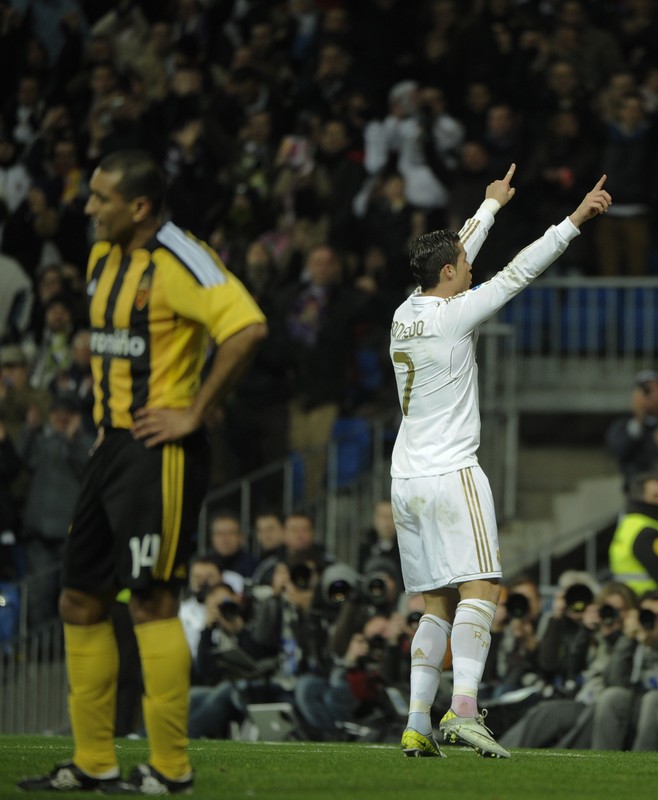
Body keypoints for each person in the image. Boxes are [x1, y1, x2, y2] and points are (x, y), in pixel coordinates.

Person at [17, 149, 267, 795]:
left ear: (140, 207)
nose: (88, 207)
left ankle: (170, 768)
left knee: (151, 599)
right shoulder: (103, 258)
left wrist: (194, 413)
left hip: (161, 453)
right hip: (112, 449)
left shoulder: (181, 257)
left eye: (101, 198)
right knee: (79, 598)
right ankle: (94, 760)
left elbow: (245, 328)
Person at [390, 163, 612, 759]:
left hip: (405, 476)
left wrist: (490, 207)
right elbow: (518, 273)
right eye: (462, 265)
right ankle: (463, 710)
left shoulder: (406, 311)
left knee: (435, 602)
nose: (470, 266)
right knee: (483, 587)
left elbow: (459, 250)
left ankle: (416, 721)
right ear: (447, 275)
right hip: (450, 472)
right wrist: (573, 222)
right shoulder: (453, 316)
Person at [606, 371, 658, 495]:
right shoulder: (624, 426)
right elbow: (620, 451)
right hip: (636, 493)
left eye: (652, 391)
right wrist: (639, 417)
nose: (648, 397)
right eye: (644, 391)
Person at [608, 471, 658, 597]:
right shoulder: (647, 531)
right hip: (647, 599)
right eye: (656, 496)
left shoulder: (630, 522)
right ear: (641, 498)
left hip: (629, 598)